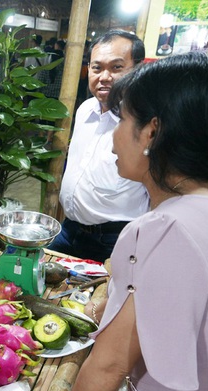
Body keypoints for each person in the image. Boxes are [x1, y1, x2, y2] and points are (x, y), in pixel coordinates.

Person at [0, 52, 208, 391]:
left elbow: (110, 365)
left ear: (152, 131)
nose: (113, 136)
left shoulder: (163, 230)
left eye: (123, 119)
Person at [48, 30, 149, 263]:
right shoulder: (85, 110)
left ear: (138, 69)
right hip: (70, 231)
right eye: (96, 68)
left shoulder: (145, 124)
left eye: (116, 68)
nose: (104, 76)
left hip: (114, 240)